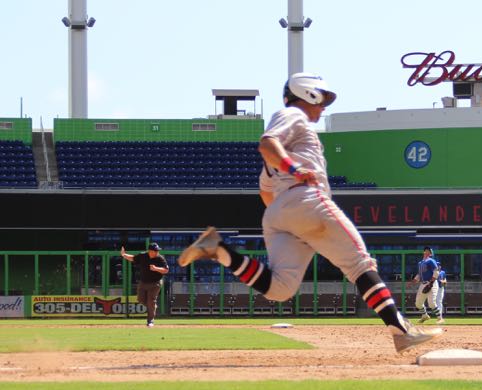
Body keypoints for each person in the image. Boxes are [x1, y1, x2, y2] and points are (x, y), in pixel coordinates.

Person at [178, 72, 443, 353]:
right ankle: (401, 330)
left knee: (280, 289)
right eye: (322, 99)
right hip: (305, 200)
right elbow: (267, 143)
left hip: (280, 213)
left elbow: (266, 192)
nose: (324, 106)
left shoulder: (283, 150)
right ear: (308, 94)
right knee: (360, 265)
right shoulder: (293, 114)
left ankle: (219, 250)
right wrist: (295, 172)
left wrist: (293, 220)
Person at [121, 242, 169, 327]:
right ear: (150, 251)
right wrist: (124, 255)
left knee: (151, 300)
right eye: (155, 250)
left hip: (155, 283)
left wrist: (156, 268)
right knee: (140, 300)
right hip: (143, 282)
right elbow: (133, 258)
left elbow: (166, 270)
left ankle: (150, 321)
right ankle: (153, 306)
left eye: (157, 250)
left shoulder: (160, 258)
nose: (157, 252)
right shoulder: (143, 256)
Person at [413, 246, 441, 324]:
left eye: (428, 251)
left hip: (431, 283)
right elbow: (419, 274)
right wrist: (415, 280)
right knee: (418, 303)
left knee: (431, 303)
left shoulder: (431, 261)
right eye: (425, 250)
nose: (426, 251)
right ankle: (425, 316)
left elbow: (436, 272)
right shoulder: (420, 263)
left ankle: (440, 318)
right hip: (423, 283)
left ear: (431, 254)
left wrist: (431, 283)